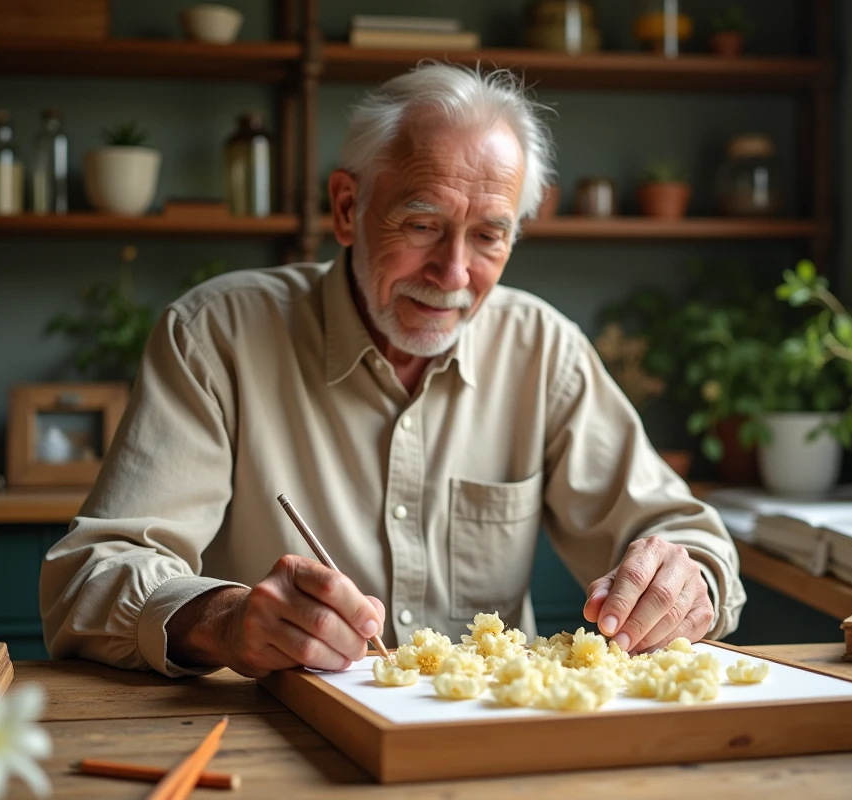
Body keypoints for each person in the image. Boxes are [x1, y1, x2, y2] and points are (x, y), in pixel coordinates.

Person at [40, 63, 745, 680]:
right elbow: (91, 577)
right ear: (348, 208)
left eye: (490, 236)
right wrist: (224, 621)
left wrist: (685, 579)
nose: (454, 274)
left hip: (494, 743)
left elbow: (691, 538)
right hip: (282, 742)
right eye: (422, 224)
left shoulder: (543, 351)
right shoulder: (216, 337)